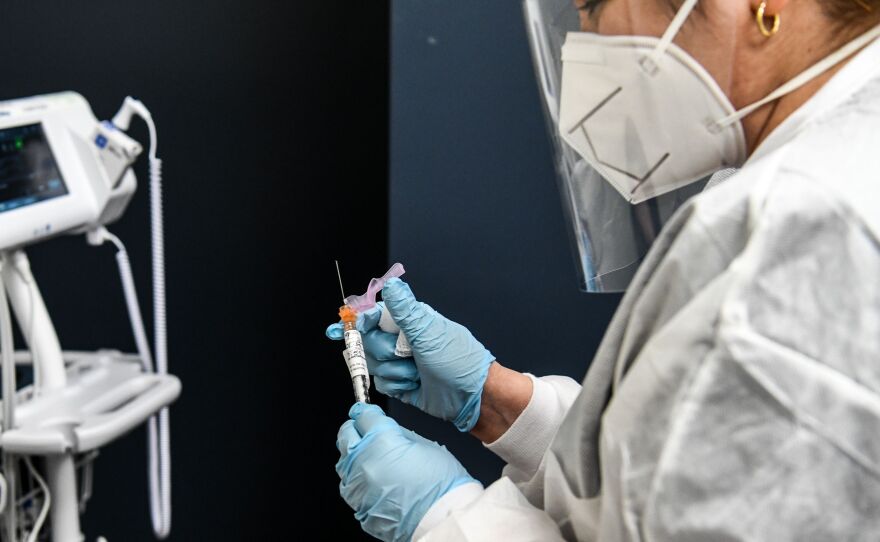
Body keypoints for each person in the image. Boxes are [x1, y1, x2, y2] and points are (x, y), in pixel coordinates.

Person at [327, 0, 880, 540]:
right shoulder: (818, 174)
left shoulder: (803, 226)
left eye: (592, 6)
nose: (582, 42)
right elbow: (681, 470)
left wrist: (445, 520)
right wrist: (496, 402)